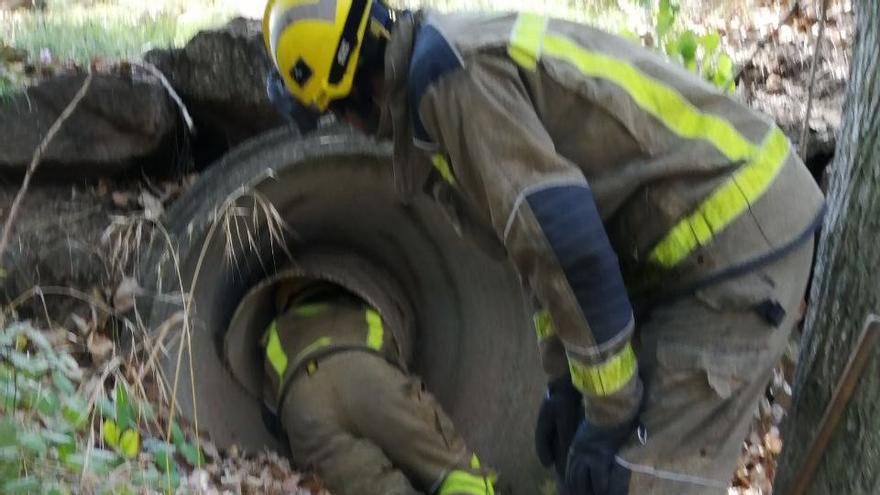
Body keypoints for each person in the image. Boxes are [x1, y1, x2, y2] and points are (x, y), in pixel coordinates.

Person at [261, 1, 825, 493]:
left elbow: (565, 243)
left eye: (332, 111)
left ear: (357, 86)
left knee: (636, 480)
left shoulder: (454, 82)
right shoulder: (436, 85)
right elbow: (532, 256)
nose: (346, 127)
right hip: (680, 250)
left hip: (734, 241)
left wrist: (608, 412)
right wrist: (564, 384)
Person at [256, 276, 495, 495]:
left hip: (304, 404)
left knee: (373, 486)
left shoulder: (275, 334)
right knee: (449, 466)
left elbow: (271, 417)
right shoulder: (362, 312)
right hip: (367, 377)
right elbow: (396, 360)